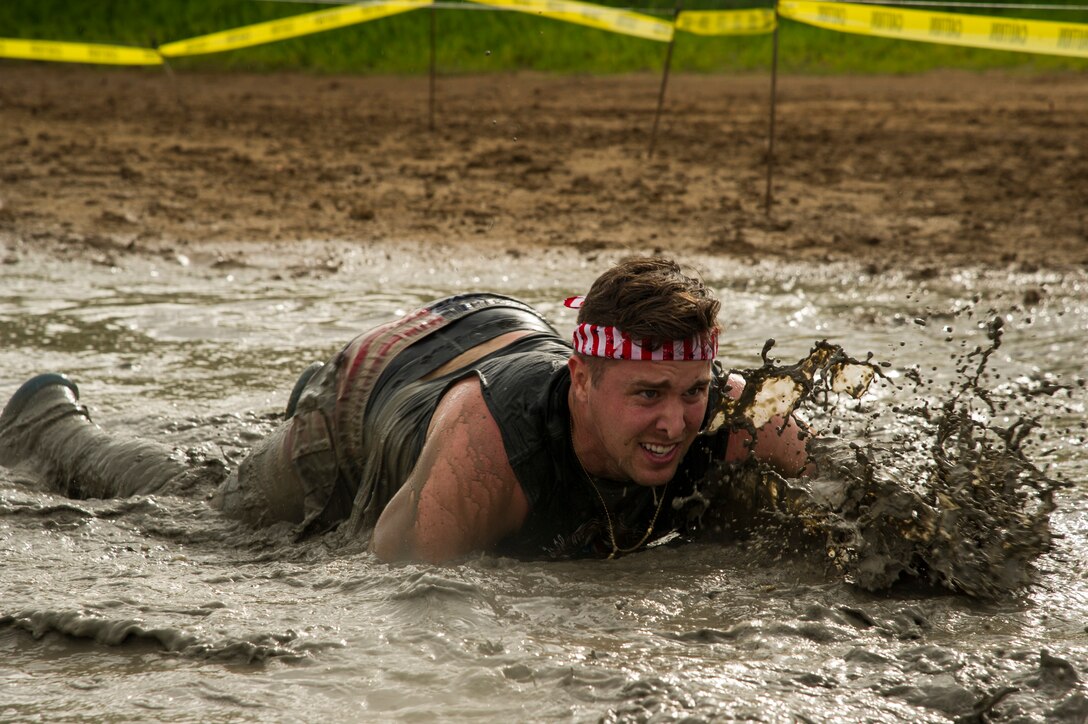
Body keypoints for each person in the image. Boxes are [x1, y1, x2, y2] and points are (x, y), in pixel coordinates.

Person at [0, 257, 810, 563]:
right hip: (379, 385)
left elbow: (850, 516)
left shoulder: (739, 425)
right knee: (214, 518)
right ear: (582, 380)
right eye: (646, 396)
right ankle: (49, 424)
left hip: (497, 330)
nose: (675, 422)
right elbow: (391, 583)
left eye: (691, 391)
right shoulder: (485, 459)